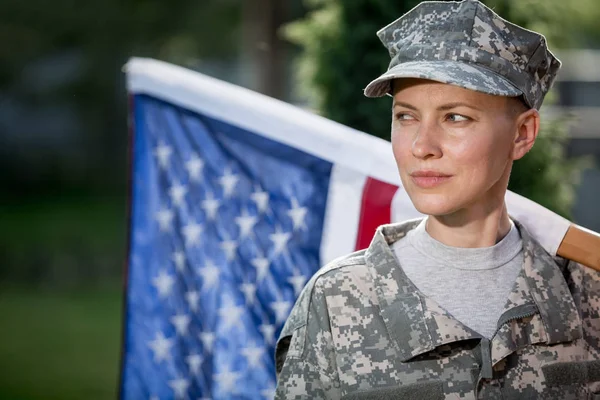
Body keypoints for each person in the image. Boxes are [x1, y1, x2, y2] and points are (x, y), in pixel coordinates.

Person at [274, 0, 600, 399]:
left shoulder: (588, 293)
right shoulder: (337, 299)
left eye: (455, 117)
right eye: (406, 116)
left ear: (523, 134)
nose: (422, 146)